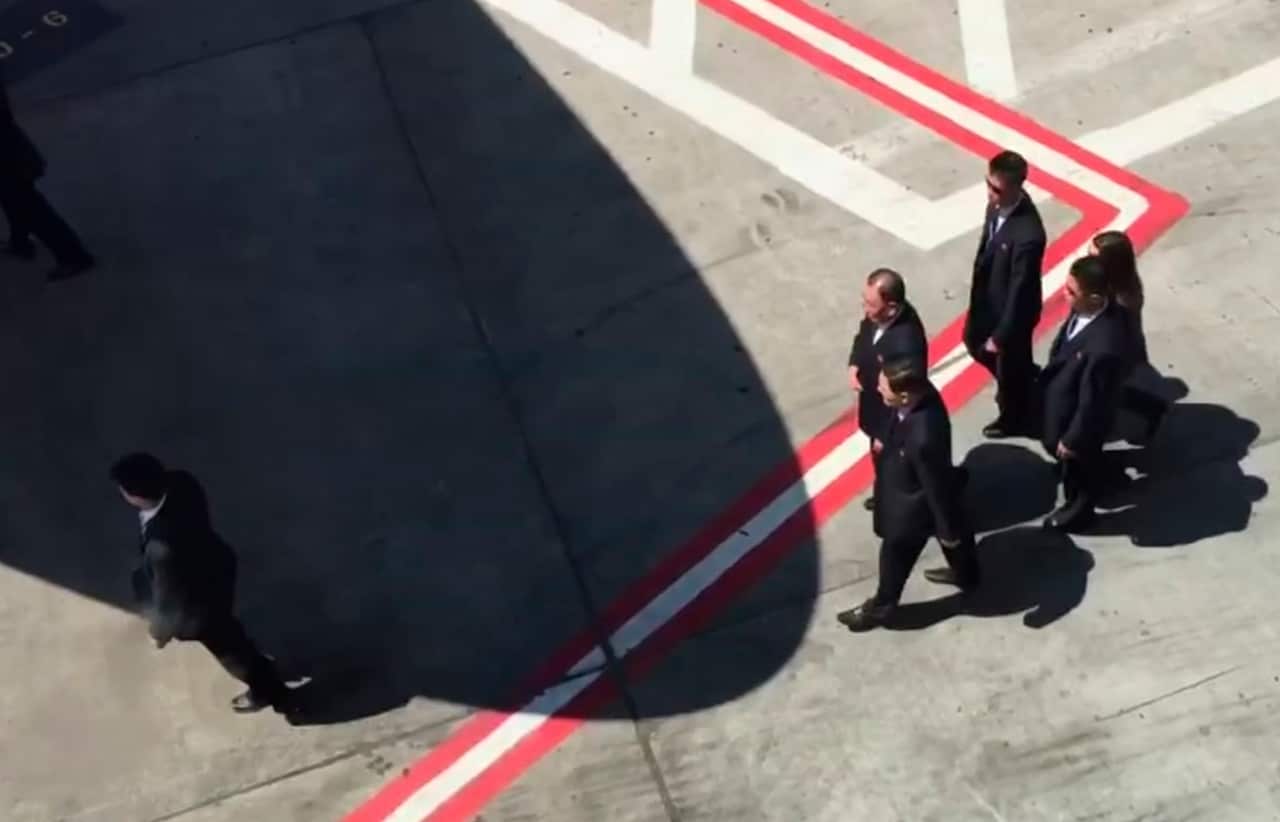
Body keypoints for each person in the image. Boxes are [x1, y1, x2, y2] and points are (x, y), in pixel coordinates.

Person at [111, 453, 291, 714]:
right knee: (230, 630)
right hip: (215, 565)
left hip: (199, 605)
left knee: (230, 647)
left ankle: (268, 690)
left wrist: (158, 633)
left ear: (135, 496)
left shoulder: (161, 548)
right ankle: (261, 668)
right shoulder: (182, 482)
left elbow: (168, 599)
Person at [837, 357, 979, 632]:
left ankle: (881, 608)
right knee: (955, 533)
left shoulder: (923, 437)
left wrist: (947, 529)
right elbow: (896, 417)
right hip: (913, 483)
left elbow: (936, 488)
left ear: (903, 396)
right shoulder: (917, 396)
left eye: (884, 389)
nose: (879, 391)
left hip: (911, 507)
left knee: (895, 556)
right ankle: (967, 574)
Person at [1038, 257, 1130, 531]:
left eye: (1071, 292)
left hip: (1077, 417)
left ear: (1094, 297)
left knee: (1079, 466)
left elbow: (1094, 401)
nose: (1064, 295)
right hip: (1062, 399)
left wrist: (1073, 439)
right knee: (1072, 461)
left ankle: (1079, 510)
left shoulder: (1104, 345)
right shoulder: (1084, 309)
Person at [964, 149, 1047, 439]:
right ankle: (1025, 377)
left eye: (996, 188)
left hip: (1013, 316)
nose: (989, 193)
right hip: (988, 302)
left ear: (1016, 187)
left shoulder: (1028, 235)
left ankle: (1014, 418)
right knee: (973, 342)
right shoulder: (996, 207)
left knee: (1009, 371)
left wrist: (1001, 336)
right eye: (988, 184)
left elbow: (1020, 291)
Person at [0, 65, 95, 280]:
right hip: (9, 151)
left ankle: (74, 256)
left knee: (27, 204)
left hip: (6, 155)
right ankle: (20, 243)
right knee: (13, 200)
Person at [847, 268, 927, 511]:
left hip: (890, 422)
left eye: (870, 304)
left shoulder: (906, 344)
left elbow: (904, 397)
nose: (865, 309)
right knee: (881, 463)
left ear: (891, 307)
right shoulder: (877, 317)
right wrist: (854, 363)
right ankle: (883, 493)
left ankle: (895, 501)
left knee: (893, 466)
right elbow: (863, 336)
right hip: (875, 407)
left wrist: (884, 433)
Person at [1090, 230, 1170, 439]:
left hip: (1118, 352)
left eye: (1093, 258)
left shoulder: (1121, 300)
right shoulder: (1118, 285)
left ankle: (1150, 408)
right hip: (1118, 350)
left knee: (1111, 391)